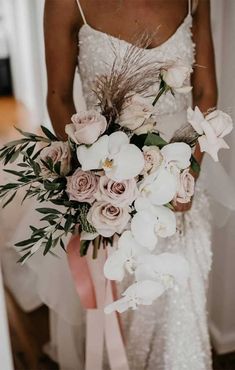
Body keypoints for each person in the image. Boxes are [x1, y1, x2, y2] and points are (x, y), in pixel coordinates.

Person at [6, 1, 218, 369]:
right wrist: (96, 178)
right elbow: (57, 97)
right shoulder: (65, 4)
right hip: (110, 181)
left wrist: (189, 176)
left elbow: (205, 93)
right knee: (116, 300)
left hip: (180, 173)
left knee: (178, 303)